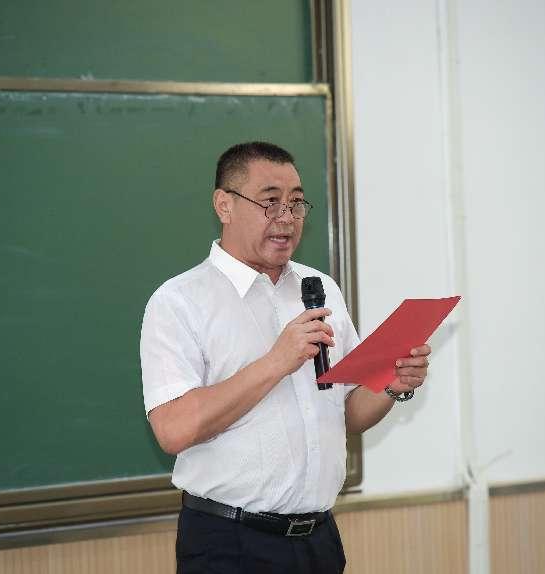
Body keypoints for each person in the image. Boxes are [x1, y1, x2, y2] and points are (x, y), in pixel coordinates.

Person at [140, 142, 430, 573]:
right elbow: (173, 429)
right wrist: (276, 361)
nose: (287, 217)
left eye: (296, 203)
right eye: (270, 202)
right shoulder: (180, 301)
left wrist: (391, 384)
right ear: (224, 205)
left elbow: (347, 414)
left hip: (319, 540)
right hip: (229, 544)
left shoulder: (321, 288)